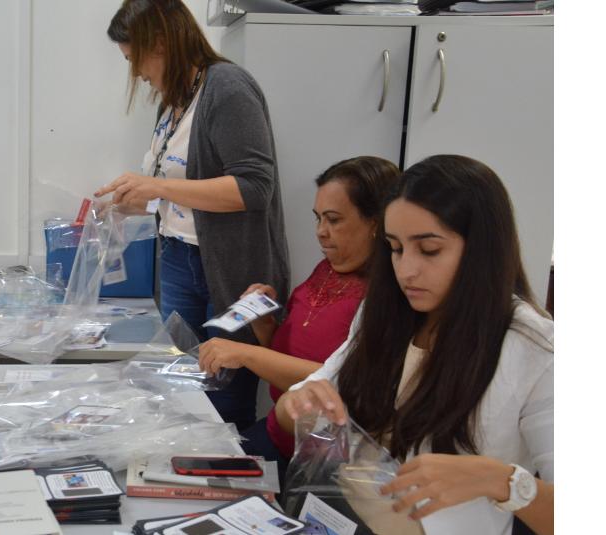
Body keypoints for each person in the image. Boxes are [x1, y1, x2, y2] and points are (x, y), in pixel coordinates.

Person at [277, 155, 553, 534]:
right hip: (341, 518)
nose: (406, 270)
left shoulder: (535, 348)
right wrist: (299, 403)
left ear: (482, 248)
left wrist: (502, 481)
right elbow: (291, 409)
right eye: (395, 248)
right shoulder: (385, 313)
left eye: (430, 250)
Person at [95, 0, 290, 430]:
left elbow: (254, 188)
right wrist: (130, 202)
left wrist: (158, 187)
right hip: (180, 261)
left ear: (160, 42)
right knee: (183, 397)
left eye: (134, 59)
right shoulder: (173, 103)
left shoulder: (227, 88)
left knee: (224, 404)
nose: (136, 74)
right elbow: (182, 198)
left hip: (227, 270)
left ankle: (229, 472)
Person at [197, 156, 400, 474]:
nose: (321, 232)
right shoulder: (327, 270)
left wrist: (246, 355)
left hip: (323, 462)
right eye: (318, 219)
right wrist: (264, 324)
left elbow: (340, 381)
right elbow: (286, 357)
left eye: (334, 220)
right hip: (279, 435)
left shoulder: (385, 298)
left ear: (375, 223)